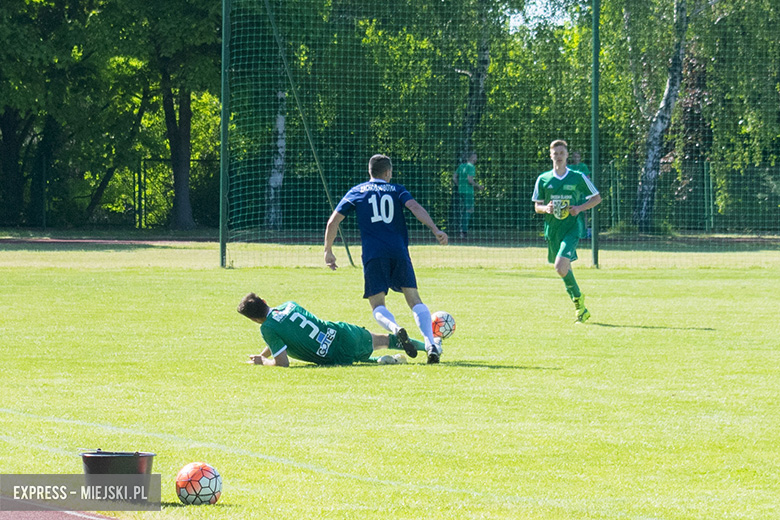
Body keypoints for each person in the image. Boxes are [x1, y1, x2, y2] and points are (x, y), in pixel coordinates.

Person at [324, 154, 448, 364]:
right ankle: (431, 344)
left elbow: (333, 221)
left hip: (374, 253)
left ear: (369, 171)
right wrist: (435, 229)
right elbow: (415, 208)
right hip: (398, 251)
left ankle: (395, 328)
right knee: (414, 299)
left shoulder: (357, 191)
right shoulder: (398, 190)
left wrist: (328, 250)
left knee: (377, 305)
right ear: (388, 172)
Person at [237, 293, 428, 367]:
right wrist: (262, 352)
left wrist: (263, 361)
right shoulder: (288, 305)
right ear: (264, 301)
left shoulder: (268, 328)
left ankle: (382, 361)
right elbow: (283, 333)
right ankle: (430, 347)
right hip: (342, 331)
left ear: (254, 319)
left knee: (363, 361)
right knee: (386, 340)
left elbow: (282, 363)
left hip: (336, 354)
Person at [532, 140, 602, 323]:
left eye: (562, 153)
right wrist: (545, 208)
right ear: (550, 155)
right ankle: (582, 308)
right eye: (555, 153)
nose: (559, 156)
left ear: (567, 155)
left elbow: (596, 198)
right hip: (553, 230)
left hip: (572, 229)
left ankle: (578, 300)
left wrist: (579, 208)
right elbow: (536, 206)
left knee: (560, 266)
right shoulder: (544, 179)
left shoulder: (577, 177)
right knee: (563, 269)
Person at [453, 153, 484, 238]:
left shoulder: (461, 166)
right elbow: (469, 179)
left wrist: (459, 185)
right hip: (468, 192)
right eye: (475, 157)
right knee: (469, 210)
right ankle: (464, 231)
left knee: (462, 210)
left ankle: (460, 230)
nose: (476, 159)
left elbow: (454, 177)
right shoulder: (471, 167)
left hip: (461, 191)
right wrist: (478, 186)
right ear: (471, 158)